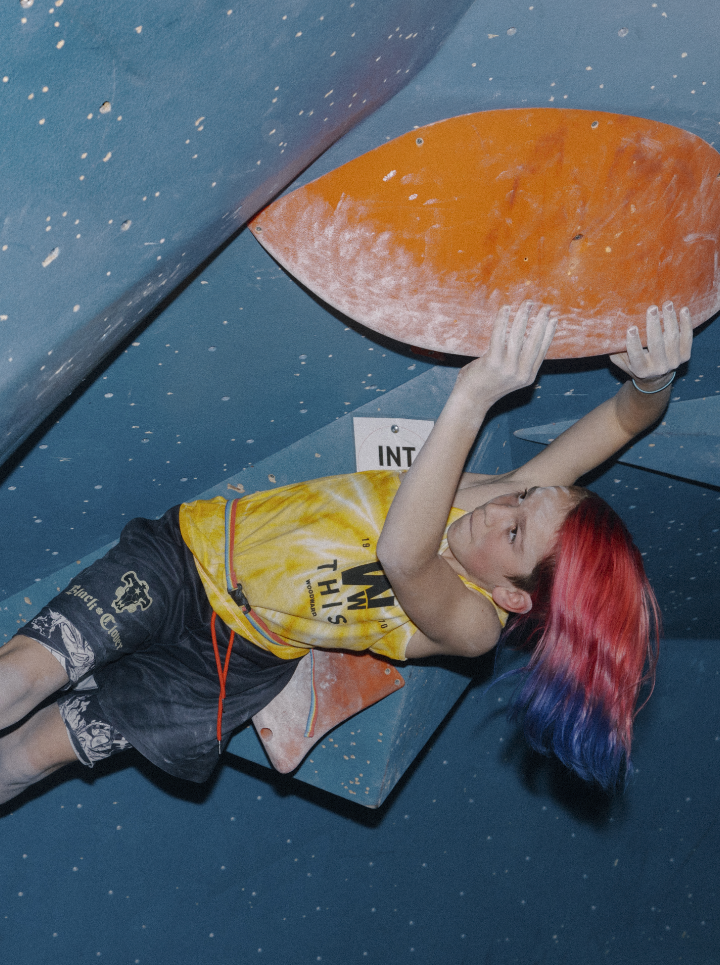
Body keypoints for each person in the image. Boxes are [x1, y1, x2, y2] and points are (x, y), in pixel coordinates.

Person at [0, 301, 692, 802]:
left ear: (515, 595)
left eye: (513, 534)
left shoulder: (476, 625)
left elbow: (403, 555)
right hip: (188, 558)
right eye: (520, 499)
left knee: (33, 756)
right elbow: (628, 418)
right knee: (17, 681)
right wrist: (653, 378)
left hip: (227, 669)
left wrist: (470, 400)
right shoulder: (504, 501)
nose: (498, 509)